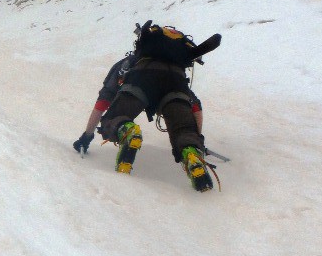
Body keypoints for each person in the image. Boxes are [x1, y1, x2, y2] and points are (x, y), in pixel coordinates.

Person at [73, 22, 219, 192]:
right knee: (183, 129)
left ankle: (127, 130)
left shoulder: (129, 61)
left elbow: (103, 102)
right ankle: (191, 152)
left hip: (141, 78)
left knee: (114, 118)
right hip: (176, 81)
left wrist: (87, 136)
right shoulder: (176, 64)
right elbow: (196, 110)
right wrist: (197, 141)